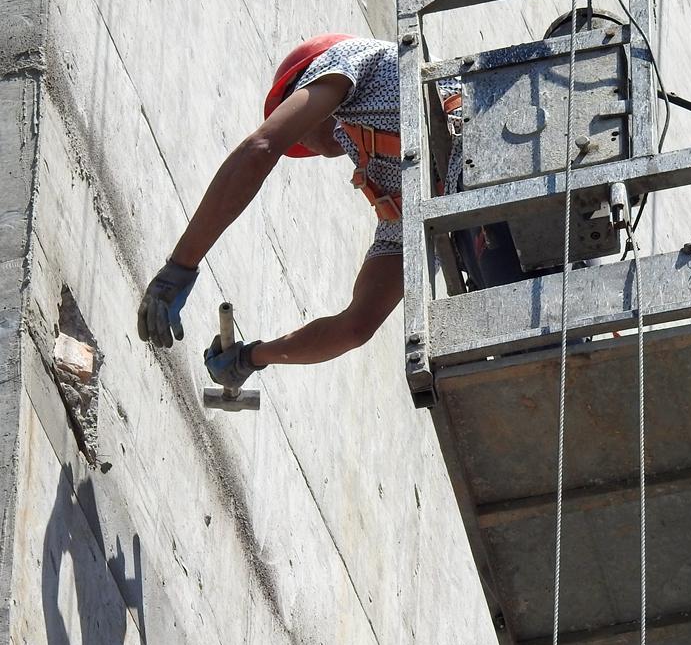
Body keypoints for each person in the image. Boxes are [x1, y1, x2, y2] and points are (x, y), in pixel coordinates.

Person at [137, 34, 522, 390]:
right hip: (497, 226)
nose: (300, 139)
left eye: (294, 107)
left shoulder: (351, 62)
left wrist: (180, 267)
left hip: (502, 155)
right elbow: (355, 326)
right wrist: (254, 356)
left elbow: (262, 148)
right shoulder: (394, 185)